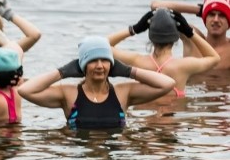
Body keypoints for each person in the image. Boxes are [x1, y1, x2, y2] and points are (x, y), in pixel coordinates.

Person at [17, 36, 175, 129]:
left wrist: (128, 71)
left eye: (105, 60)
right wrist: (62, 72)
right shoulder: (68, 93)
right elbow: (25, 90)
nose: (100, 66)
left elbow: (167, 83)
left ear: (112, 64)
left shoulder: (123, 93)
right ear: (83, 65)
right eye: (93, 61)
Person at [107, 8, 220, 99]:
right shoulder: (184, 66)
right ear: (175, 38)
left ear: (150, 37)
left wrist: (134, 29)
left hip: (146, 120)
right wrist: (189, 33)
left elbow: (102, 45)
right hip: (173, 124)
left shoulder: (137, 61)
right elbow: (214, 58)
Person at [151, 0, 230, 70]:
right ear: (205, 17)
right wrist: (200, 10)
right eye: (211, 14)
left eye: (222, 15)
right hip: (192, 83)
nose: (216, 19)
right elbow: (156, 6)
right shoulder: (193, 37)